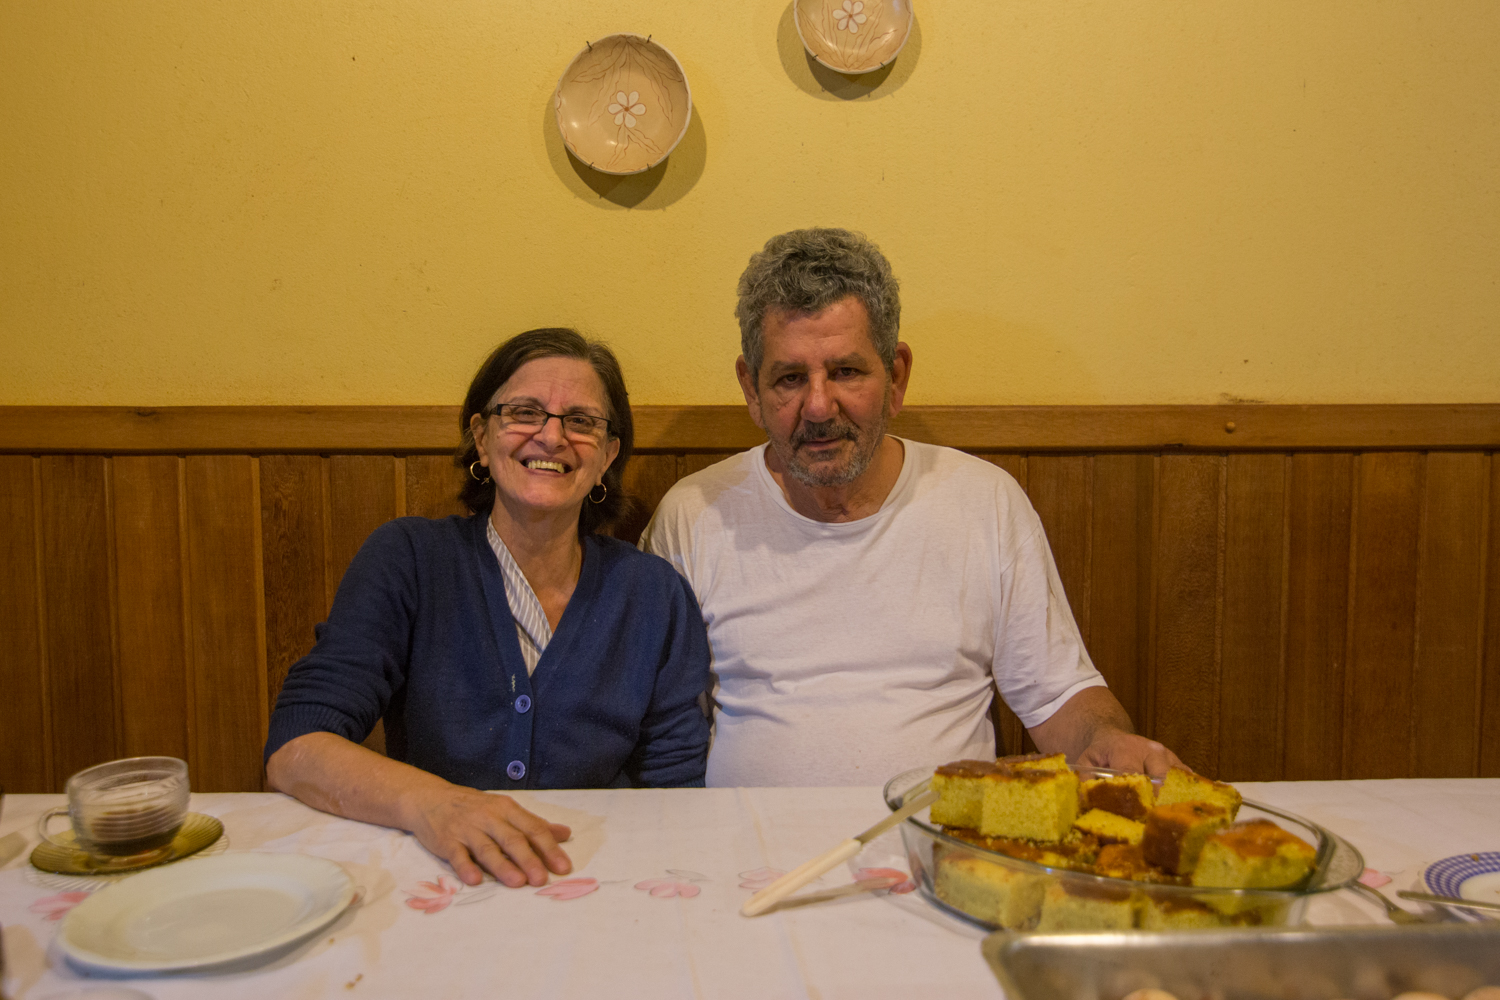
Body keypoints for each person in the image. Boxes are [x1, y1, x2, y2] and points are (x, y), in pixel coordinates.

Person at [640, 229, 1183, 787]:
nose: (820, 406)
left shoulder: (983, 501)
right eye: (789, 378)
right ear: (751, 389)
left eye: (846, 371)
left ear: (895, 377)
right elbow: (661, 729)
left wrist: (1105, 739)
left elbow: (1058, 693)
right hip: (747, 856)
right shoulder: (693, 516)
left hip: (937, 846)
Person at [267, 328, 711, 886]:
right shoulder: (410, 559)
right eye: (524, 412)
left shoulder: (652, 592)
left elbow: (675, 785)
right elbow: (296, 747)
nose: (551, 437)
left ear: (608, 457)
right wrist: (432, 804)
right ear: (481, 437)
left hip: (599, 875)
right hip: (443, 871)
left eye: (581, 421)